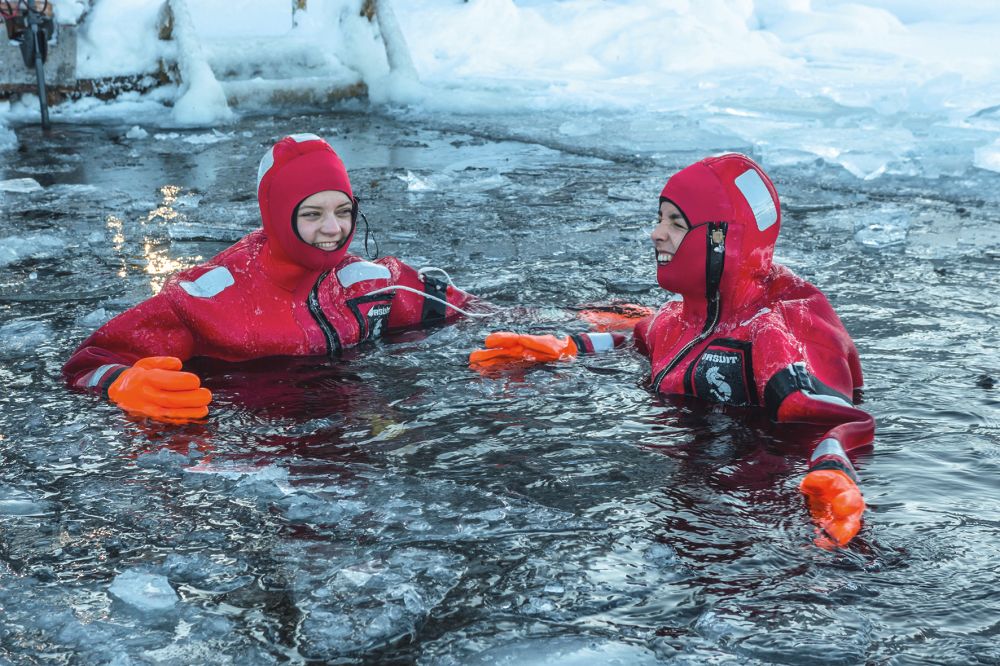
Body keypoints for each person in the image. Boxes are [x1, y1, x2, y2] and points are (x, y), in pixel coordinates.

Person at [470, 153, 875, 547]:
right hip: (691, 503)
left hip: (767, 527)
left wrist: (834, 470)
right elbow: (641, 340)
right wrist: (568, 346)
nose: (656, 233)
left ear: (722, 240)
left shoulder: (776, 331)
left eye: (676, 223)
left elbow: (833, 416)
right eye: (660, 218)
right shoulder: (680, 316)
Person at [64, 133, 474, 422]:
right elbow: (88, 363)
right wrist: (121, 383)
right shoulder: (208, 299)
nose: (334, 230)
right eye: (313, 214)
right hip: (248, 463)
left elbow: (470, 312)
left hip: (355, 449)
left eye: (343, 211)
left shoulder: (372, 283)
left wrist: (524, 341)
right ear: (278, 216)